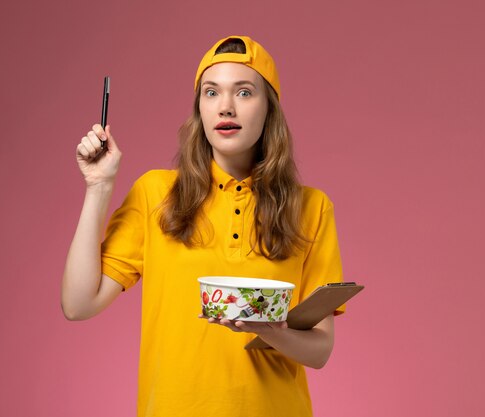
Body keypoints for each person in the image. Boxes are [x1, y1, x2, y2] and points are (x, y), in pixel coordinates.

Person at [61, 35, 347, 417]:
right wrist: (99, 187)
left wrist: (267, 329)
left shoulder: (311, 208)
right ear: (199, 108)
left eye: (244, 93)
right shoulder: (155, 193)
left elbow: (320, 351)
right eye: (211, 93)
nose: (225, 107)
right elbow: (78, 305)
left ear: (269, 108)